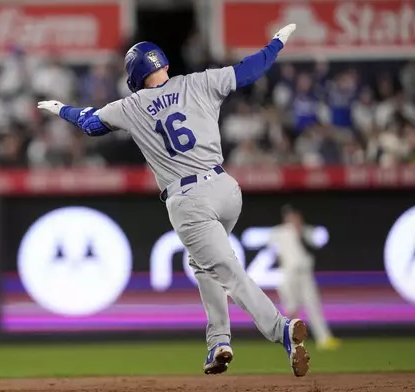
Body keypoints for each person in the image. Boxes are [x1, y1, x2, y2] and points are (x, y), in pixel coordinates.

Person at [37, 24, 312, 377]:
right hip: (226, 188)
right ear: (164, 63)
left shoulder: (132, 105)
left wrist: (61, 109)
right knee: (204, 265)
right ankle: (218, 341)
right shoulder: (200, 81)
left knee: (227, 271)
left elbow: (89, 123)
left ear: (134, 76)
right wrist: (275, 43)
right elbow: (249, 71)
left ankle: (282, 330)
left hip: (188, 200)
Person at [269, 205, 342, 351]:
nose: (294, 219)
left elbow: (316, 241)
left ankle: (324, 339)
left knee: (313, 306)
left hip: (305, 274)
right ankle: (290, 340)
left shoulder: (305, 230)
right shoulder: (279, 231)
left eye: (295, 216)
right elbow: (274, 250)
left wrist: (300, 230)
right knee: (291, 308)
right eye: (290, 217)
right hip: (289, 275)